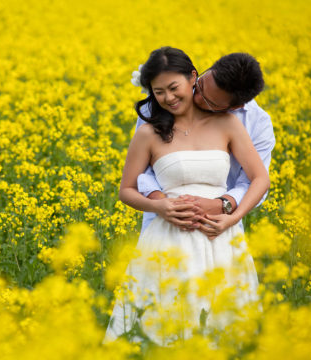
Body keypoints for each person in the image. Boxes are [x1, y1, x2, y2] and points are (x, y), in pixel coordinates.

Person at [104, 47, 270, 345]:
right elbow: (129, 186)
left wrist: (229, 216)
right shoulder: (149, 129)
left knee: (225, 328)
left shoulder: (234, 123)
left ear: (230, 106)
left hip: (219, 237)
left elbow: (258, 179)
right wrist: (161, 205)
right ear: (198, 76)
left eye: (174, 89)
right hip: (167, 236)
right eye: (159, 91)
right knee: (158, 327)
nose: (171, 98)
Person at [136, 52, 275, 237]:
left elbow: (254, 181)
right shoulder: (164, 101)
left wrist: (221, 205)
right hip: (163, 224)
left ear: (233, 108)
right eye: (200, 85)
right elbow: (140, 167)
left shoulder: (257, 123)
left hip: (217, 227)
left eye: (209, 101)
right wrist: (163, 203)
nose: (197, 98)